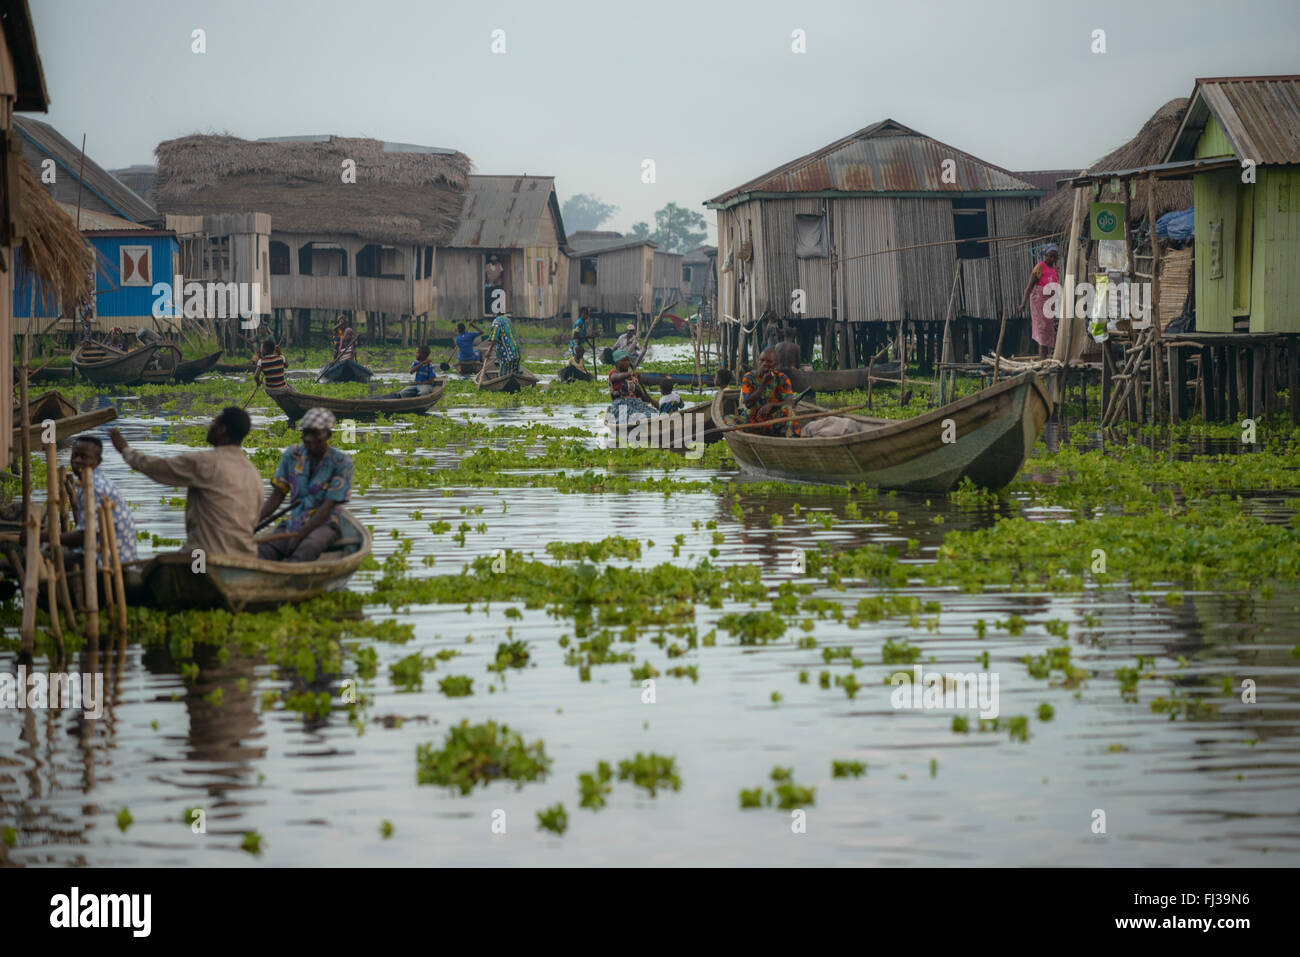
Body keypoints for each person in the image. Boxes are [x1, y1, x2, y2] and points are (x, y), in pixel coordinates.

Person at [108, 407, 264, 558]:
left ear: (222, 430)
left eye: (214, 423)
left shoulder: (206, 462)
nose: (210, 426)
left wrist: (125, 450)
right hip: (246, 557)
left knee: (168, 570)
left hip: (203, 557)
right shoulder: (253, 473)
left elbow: (159, 468)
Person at [257, 408, 353, 563]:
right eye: (305, 433)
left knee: (306, 548)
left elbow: (327, 508)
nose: (308, 438)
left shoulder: (341, 462)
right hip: (294, 522)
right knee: (262, 551)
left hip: (325, 525)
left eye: (315, 434)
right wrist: (251, 524)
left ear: (328, 435)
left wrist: (299, 537)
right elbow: (277, 496)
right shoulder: (292, 455)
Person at [54, 435, 138, 568]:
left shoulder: (94, 488)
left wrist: (47, 537)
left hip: (109, 562)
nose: (77, 460)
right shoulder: (89, 481)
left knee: (48, 556)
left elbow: (87, 536)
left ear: (98, 461)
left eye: (84, 457)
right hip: (103, 554)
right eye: (75, 455)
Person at [736, 348, 801, 436]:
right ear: (758, 361)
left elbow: (790, 402)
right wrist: (763, 385)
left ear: (775, 364)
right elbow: (748, 403)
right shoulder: (749, 377)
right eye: (762, 360)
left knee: (788, 409)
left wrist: (772, 405)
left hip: (773, 420)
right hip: (752, 421)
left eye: (769, 361)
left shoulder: (782, 378)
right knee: (728, 419)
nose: (764, 364)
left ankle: (793, 437)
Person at [1019, 243, 1060, 359]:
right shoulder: (1039, 267)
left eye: (1054, 257)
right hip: (1039, 303)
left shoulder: (1054, 269)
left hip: (1049, 303)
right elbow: (1029, 287)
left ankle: (1045, 358)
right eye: (1050, 256)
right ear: (1045, 255)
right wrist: (1023, 303)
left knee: (1049, 331)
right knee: (1042, 332)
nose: (1052, 259)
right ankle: (1043, 360)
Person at [484, 312, 520, 376]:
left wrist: (489, 351)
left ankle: (504, 380)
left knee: (504, 373)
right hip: (516, 352)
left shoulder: (496, 321)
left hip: (506, 354)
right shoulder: (507, 320)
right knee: (514, 372)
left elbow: (494, 338)